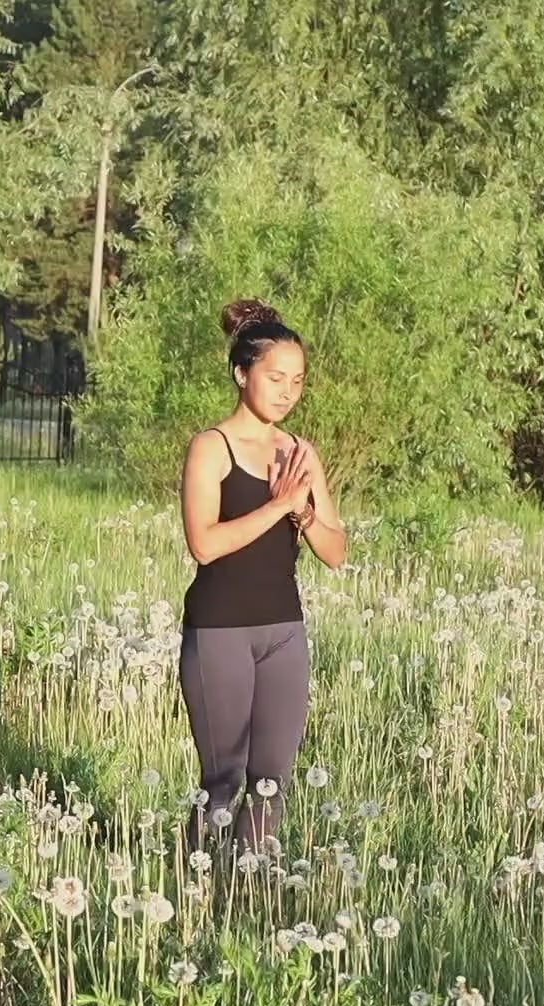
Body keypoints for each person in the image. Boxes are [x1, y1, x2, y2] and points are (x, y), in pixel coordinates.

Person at [177, 299, 346, 859]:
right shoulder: (211, 447)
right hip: (220, 631)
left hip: (284, 633)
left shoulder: (300, 452)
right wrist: (280, 506)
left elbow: (336, 549)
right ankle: (196, 885)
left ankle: (251, 898)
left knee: (271, 785)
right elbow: (204, 543)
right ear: (240, 373)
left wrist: (303, 514)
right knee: (223, 783)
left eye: (297, 381)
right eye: (275, 377)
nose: (287, 391)